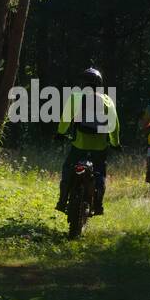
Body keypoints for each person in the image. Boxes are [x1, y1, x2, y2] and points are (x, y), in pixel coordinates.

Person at [56, 67, 120, 215]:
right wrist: (115, 143)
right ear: (99, 84)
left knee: (68, 169)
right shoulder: (107, 100)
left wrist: (60, 133)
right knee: (99, 174)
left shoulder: (76, 97)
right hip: (99, 148)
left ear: (83, 83)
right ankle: (98, 205)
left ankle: (62, 200)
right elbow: (114, 125)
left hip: (79, 145)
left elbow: (65, 119)